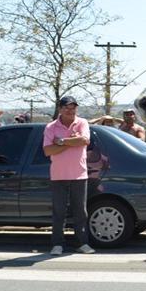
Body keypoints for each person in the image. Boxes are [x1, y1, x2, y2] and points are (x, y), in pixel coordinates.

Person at [42, 96, 96, 256]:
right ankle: (57, 244)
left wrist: (60, 141)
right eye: (66, 107)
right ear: (60, 109)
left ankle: (82, 243)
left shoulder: (82, 123)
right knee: (59, 212)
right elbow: (48, 150)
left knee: (80, 212)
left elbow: (84, 140)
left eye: (73, 107)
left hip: (79, 175)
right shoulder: (51, 127)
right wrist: (71, 141)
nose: (70, 110)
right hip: (58, 176)